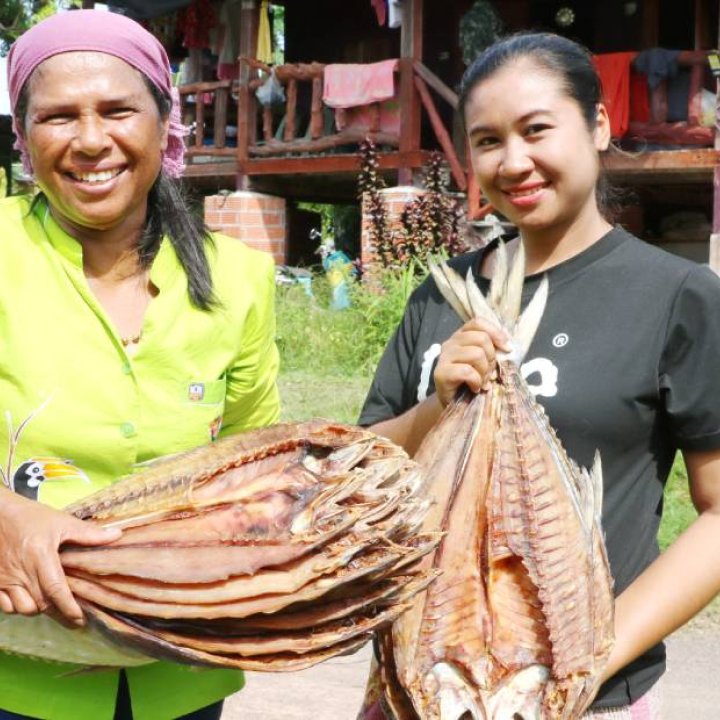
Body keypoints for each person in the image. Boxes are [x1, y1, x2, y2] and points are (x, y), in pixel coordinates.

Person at [359, 32, 720, 718]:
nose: (513, 160)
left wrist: (589, 658)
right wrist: (437, 408)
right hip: (421, 691)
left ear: (599, 125)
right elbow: (359, 477)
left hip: (583, 699)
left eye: (536, 130)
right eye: (488, 140)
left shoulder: (676, 297)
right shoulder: (441, 294)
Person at [0, 9, 279, 720]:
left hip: (180, 667)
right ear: (24, 138)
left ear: (164, 122)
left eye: (118, 110)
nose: (92, 141)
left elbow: (258, 461)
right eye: (57, 116)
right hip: (16, 668)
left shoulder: (238, 278)